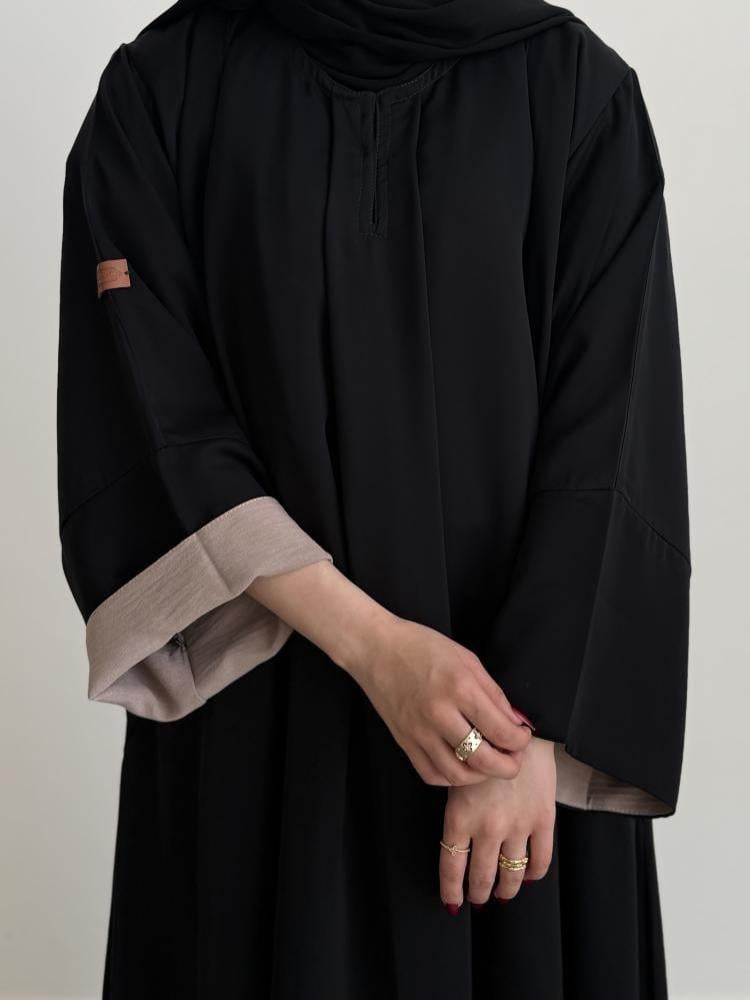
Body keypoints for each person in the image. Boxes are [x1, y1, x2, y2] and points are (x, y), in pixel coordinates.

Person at [56, 0, 690, 997]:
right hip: (263, 740)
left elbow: (611, 437)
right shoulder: (162, 93)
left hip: (516, 763)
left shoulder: (577, 94)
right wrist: (377, 650)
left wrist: (520, 740)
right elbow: (155, 419)